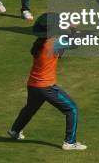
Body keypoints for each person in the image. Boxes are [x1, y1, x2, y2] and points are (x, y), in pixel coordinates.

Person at [8, 13, 87, 151]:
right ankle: (70, 142)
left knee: (30, 109)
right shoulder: (54, 43)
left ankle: (15, 131)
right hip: (46, 87)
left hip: (33, 85)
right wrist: (74, 29)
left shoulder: (40, 42)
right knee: (71, 109)